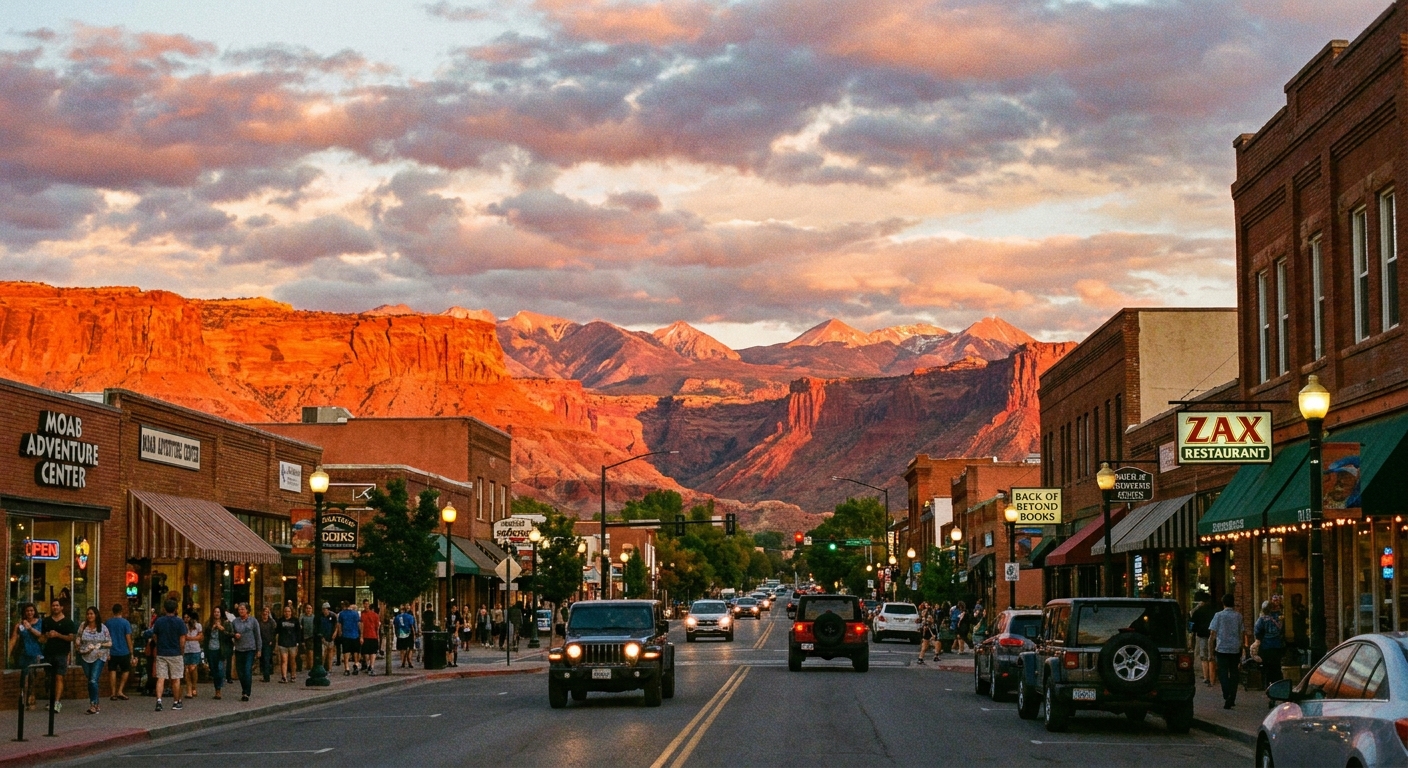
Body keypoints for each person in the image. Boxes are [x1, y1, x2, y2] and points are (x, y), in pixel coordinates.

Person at [1208, 592, 1247, 709]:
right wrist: (1243, 648)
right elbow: (1242, 633)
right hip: (1235, 649)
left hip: (1222, 648)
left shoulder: (1218, 616)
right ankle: (1232, 696)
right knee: (1234, 673)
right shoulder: (1239, 616)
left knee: (1223, 673)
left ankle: (1227, 694)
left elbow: (1212, 634)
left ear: (1223, 603)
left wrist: (1210, 652)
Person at [149, 599, 186, 711]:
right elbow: (182, 640)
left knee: (161, 678)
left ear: (164, 609)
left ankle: (159, 701)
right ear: (176, 609)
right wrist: (182, 652)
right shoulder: (180, 622)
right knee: (175, 678)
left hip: (162, 653)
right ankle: (176, 702)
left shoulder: (159, 621)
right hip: (175, 653)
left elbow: (155, 636)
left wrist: (159, 644)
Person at [40, 599, 77, 711]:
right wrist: (46, 636)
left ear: (61, 608)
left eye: (57, 605)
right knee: (50, 678)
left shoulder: (68, 622)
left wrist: (58, 635)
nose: (55, 607)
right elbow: (42, 638)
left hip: (62, 653)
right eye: (53, 605)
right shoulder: (46, 621)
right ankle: (51, 701)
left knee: (59, 677)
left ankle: (57, 702)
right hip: (49, 653)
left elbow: (71, 638)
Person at [77, 607, 112, 715]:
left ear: (96, 615)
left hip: (99, 656)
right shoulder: (83, 626)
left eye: (92, 614)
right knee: (91, 681)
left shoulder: (103, 627)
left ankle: (93, 704)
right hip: (85, 655)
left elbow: (110, 642)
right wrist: (78, 643)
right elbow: (78, 637)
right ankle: (96, 703)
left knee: (93, 680)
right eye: (88, 614)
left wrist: (100, 645)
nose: (90, 616)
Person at [9, 603, 44, 709]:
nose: (30, 613)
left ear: (35, 611)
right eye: (27, 611)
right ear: (24, 612)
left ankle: (31, 698)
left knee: (32, 676)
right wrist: (8, 653)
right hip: (23, 652)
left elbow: (42, 636)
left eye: (32, 610)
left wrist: (30, 628)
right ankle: (23, 699)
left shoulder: (40, 622)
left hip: (35, 652)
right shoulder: (19, 625)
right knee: (24, 675)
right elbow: (14, 639)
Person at [229, 603, 261, 702]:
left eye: (243, 609)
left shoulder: (253, 621)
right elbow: (230, 633)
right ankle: (244, 688)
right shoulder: (235, 622)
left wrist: (259, 649)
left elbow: (257, 635)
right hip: (239, 649)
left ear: (247, 610)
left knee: (247, 670)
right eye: (239, 609)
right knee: (240, 672)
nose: (241, 611)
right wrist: (235, 635)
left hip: (250, 649)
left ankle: (247, 692)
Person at [1255, 595, 1287, 687]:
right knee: (1277, 667)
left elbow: (1257, 630)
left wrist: (1258, 641)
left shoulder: (1262, 618)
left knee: (1267, 667)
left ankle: (1268, 685)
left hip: (1266, 646)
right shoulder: (1280, 616)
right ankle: (1279, 684)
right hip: (1277, 645)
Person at [105, 603, 133, 702]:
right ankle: (120, 691)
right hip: (124, 651)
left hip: (111, 650)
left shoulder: (108, 622)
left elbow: (105, 637)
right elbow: (128, 637)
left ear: (113, 611)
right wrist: (131, 652)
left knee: (112, 670)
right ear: (121, 611)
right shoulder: (125, 623)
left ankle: (113, 693)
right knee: (125, 670)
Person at [1189, 591, 1216, 687]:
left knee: (1203, 656)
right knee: (1212, 656)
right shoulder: (1214, 611)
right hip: (1213, 636)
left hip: (1202, 635)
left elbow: (1192, 623)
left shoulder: (1198, 611)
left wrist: (1192, 633)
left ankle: (1206, 677)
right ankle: (1213, 677)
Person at [206, 606, 229, 699]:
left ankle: (219, 690)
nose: (216, 613)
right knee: (214, 671)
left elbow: (230, 634)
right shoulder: (208, 623)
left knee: (220, 670)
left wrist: (222, 629)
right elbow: (205, 635)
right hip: (211, 649)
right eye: (215, 612)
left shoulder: (225, 623)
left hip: (221, 650)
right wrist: (212, 628)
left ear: (221, 613)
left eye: (218, 612)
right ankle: (216, 689)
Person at [275, 604, 301, 683]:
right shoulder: (280, 620)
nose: (287, 613)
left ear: (291, 612)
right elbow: (277, 631)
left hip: (293, 643)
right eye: (285, 611)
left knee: (292, 660)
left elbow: (298, 632)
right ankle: (284, 677)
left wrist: (298, 642)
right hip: (283, 643)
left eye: (289, 611)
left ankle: (293, 675)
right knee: (284, 660)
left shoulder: (295, 620)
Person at [334, 600, 361, 675]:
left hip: (346, 635)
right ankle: (356, 664)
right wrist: (361, 634)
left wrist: (340, 633)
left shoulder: (341, 614)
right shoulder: (355, 613)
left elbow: (339, 624)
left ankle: (347, 668)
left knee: (346, 652)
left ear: (343, 606)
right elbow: (359, 623)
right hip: (355, 634)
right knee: (355, 651)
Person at [181, 610, 204, 699]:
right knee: (187, 669)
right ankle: (189, 689)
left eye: (187, 617)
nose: (186, 619)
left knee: (193, 668)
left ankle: (194, 685)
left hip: (195, 649)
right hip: (186, 650)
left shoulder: (198, 625)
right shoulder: (183, 626)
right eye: (185, 617)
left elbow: (200, 637)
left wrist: (190, 638)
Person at [359, 600, 380, 675]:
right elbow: (361, 625)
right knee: (366, 653)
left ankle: (372, 666)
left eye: (367, 604)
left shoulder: (375, 615)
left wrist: (378, 636)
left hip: (373, 635)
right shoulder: (362, 614)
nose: (366, 605)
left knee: (373, 652)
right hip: (365, 635)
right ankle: (369, 665)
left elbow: (377, 627)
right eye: (365, 604)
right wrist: (361, 636)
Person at [258, 606, 277, 683]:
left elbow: (274, 632)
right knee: (262, 659)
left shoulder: (271, 622)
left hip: (268, 642)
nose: (265, 614)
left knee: (266, 659)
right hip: (260, 642)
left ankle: (267, 676)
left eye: (267, 613)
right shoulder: (259, 622)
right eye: (264, 613)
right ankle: (264, 673)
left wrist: (272, 640)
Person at [318, 602, 337, 672]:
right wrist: (321, 636)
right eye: (324, 609)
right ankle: (322, 667)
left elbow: (336, 625)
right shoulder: (320, 617)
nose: (325, 611)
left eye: (326, 609)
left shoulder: (333, 616)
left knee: (330, 653)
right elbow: (318, 627)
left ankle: (330, 668)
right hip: (323, 637)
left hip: (331, 637)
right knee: (323, 654)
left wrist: (335, 633)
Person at [299, 603, 315, 674]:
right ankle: (307, 665)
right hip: (303, 636)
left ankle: (311, 666)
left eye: (310, 608)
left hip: (311, 636)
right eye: (307, 608)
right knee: (305, 652)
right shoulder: (302, 617)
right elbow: (300, 626)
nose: (308, 610)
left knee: (310, 651)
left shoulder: (314, 617)